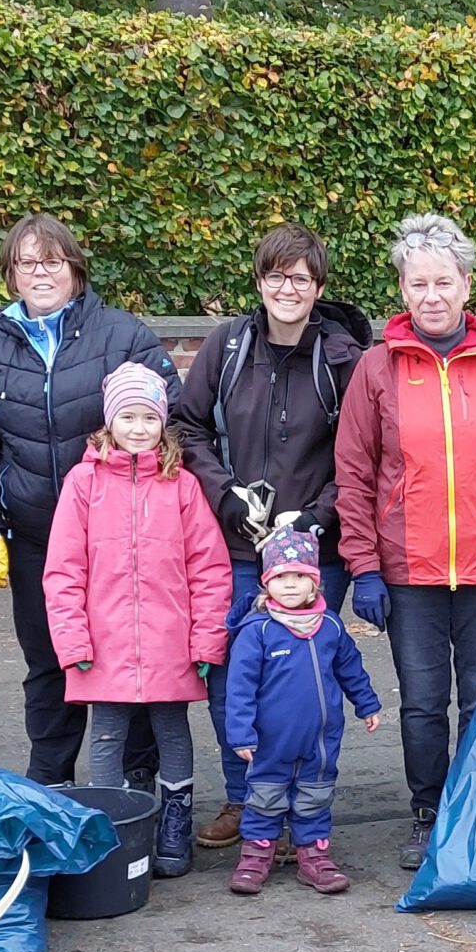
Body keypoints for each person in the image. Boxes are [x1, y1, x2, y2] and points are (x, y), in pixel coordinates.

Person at [335, 213, 476, 869]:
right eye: (417, 283)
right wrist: (364, 567)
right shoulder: (376, 370)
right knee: (425, 703)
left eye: (444, 281)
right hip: (410, 573)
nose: (432, 295)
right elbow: (353, 473)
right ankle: (429, 810)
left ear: (466, 286)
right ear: (402, 291)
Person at [0, 211, 183, 786]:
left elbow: (172, 420)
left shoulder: (123, 335)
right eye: (27, 262)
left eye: (52, 261)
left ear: (75, 269)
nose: (41, 272)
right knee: (50, 662)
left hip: (123, 541)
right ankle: (51, 782)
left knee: (131, 661)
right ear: (11, 273)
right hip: (35, 537)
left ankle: (136, 788)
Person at [173, 222, 371, 851]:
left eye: (301, 278)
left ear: (318, 287)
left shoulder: (343, 360)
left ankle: (300, 807)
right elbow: (186, 424)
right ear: (259, 281)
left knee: (303, 676)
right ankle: (245, 798)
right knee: (232, 675)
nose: (288, 288)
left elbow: (363, 453)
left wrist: (319, 515)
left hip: (316, 553)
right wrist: (224, 492)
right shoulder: (226, 347)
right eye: (277, 276)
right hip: (237, 548)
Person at [40, 364, 235, 879]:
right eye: (128, 416)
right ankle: (111, 826)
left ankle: (173, 821)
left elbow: (209, 568)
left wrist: (207, 639)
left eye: (149, 416)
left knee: (172, 730)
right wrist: (71, 637)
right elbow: (63, 568)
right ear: (109, 422)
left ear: (162, 421)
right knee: (106, 733)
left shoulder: (182, 485)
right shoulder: (83, 483)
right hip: (102, 641)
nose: (139, 427)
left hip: (171, 639)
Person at [222, 528, 383, 896]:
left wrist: (367, 703)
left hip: (321, 738)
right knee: (265, 793)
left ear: (315, 585)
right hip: (270, 739)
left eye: (300, 577)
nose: (290, 585)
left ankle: (313, 854)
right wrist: (241, 731)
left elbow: (350, 669)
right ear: (266, 585)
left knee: (315, 793)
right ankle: (256, 855)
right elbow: (239, 687)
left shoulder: (329, 627)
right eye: (280, 577)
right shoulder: (258, 630)